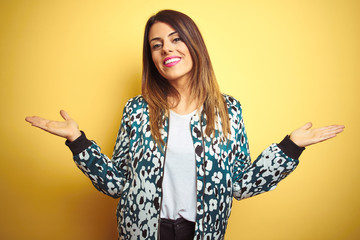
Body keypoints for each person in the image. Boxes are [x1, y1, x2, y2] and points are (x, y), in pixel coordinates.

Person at [25, 9, 344, 240]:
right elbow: (116, 184)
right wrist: (78, 142)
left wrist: (290, 147)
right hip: (143, 233)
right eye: (156, 44)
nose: (166, 49)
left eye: (176, 39)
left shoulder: (227, 110)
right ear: (151, 56)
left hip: (202, 233)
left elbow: (241, 184)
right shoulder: (137, 110)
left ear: (194, 46)